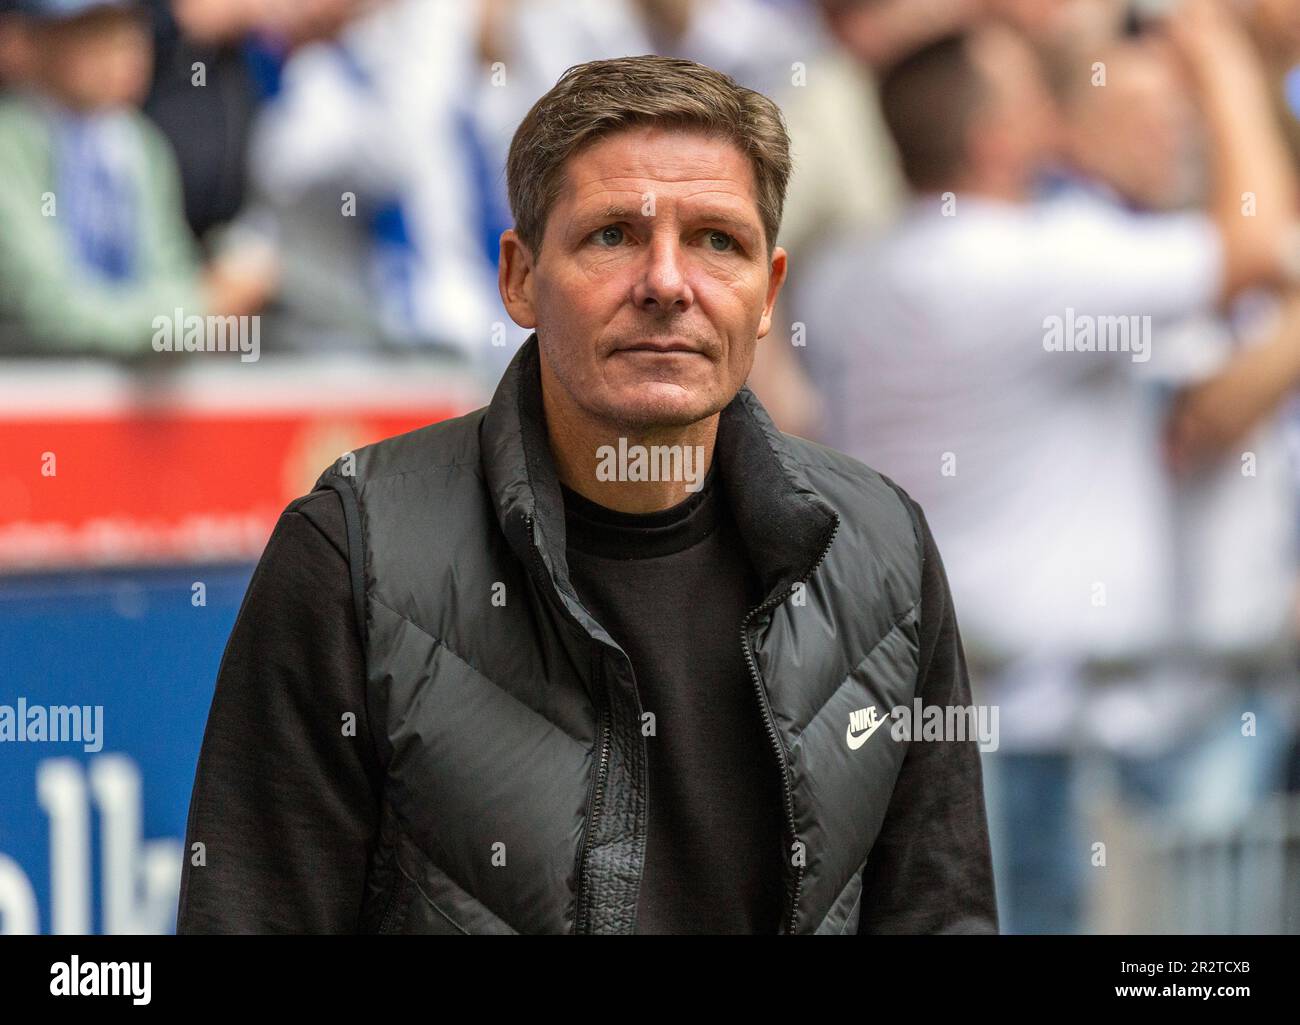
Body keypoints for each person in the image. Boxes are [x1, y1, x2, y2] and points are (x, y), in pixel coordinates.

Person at [175, 53, 998, 935]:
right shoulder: (354, 553)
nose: (668, 284)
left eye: (719, 242)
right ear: (519, 277)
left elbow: (940, 914)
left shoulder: (882, 550)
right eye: (612, 235)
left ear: (770, 293)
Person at [793, 3, 1299, 932]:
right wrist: (1224, 61)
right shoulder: (1032, 264)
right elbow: (1259, 244)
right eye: (1028, 93)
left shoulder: (845, 276)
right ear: (994, 135)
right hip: (1028, 727)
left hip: (932, 709)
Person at [0, 0, 271, 356]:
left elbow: (168, 271)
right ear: (27, 43)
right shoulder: (11, 145)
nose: (121, 52)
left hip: (133, 385)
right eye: (93, 33)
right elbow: (51, 308)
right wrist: (199, 315)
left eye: (130, 33)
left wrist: (204, 302)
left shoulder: (140, 143)